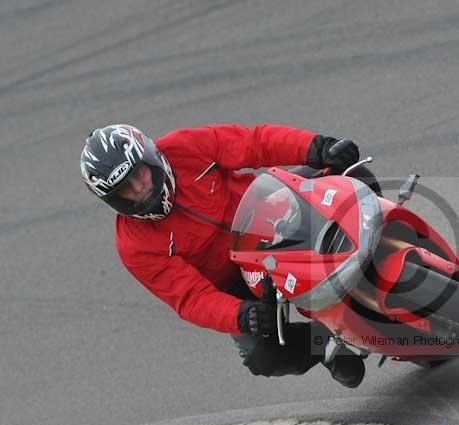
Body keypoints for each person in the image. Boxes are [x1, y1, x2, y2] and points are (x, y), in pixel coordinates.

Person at [80, 123, 372, 387]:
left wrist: (317, 147)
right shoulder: (134, 245)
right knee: (262, 355)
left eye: (139, 174)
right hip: (235, 281)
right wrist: (240, 316)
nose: (140, 189)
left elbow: (255, 143)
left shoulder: (184, 146)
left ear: (151, 157)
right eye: (126, 191)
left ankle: (399, 245)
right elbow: (190, 297)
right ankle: (322, 343)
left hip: (271, 214)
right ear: (114, 201)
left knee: (351, 175)